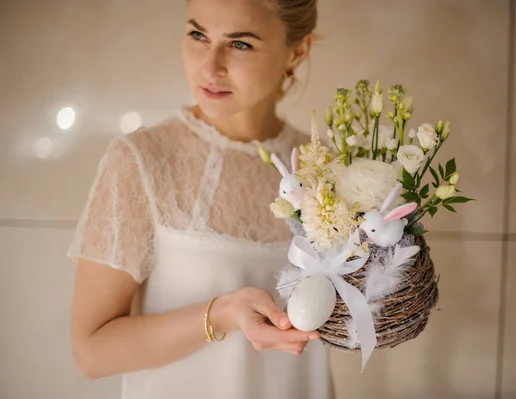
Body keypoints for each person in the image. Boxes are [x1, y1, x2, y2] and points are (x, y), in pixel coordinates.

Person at [67, 0, 335, 398]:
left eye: (239, 44)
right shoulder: (142, 159)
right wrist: (221, 315)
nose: (210, 68)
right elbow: (91, 352)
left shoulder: (325, 165)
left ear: (297, 51)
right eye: (198, 35)